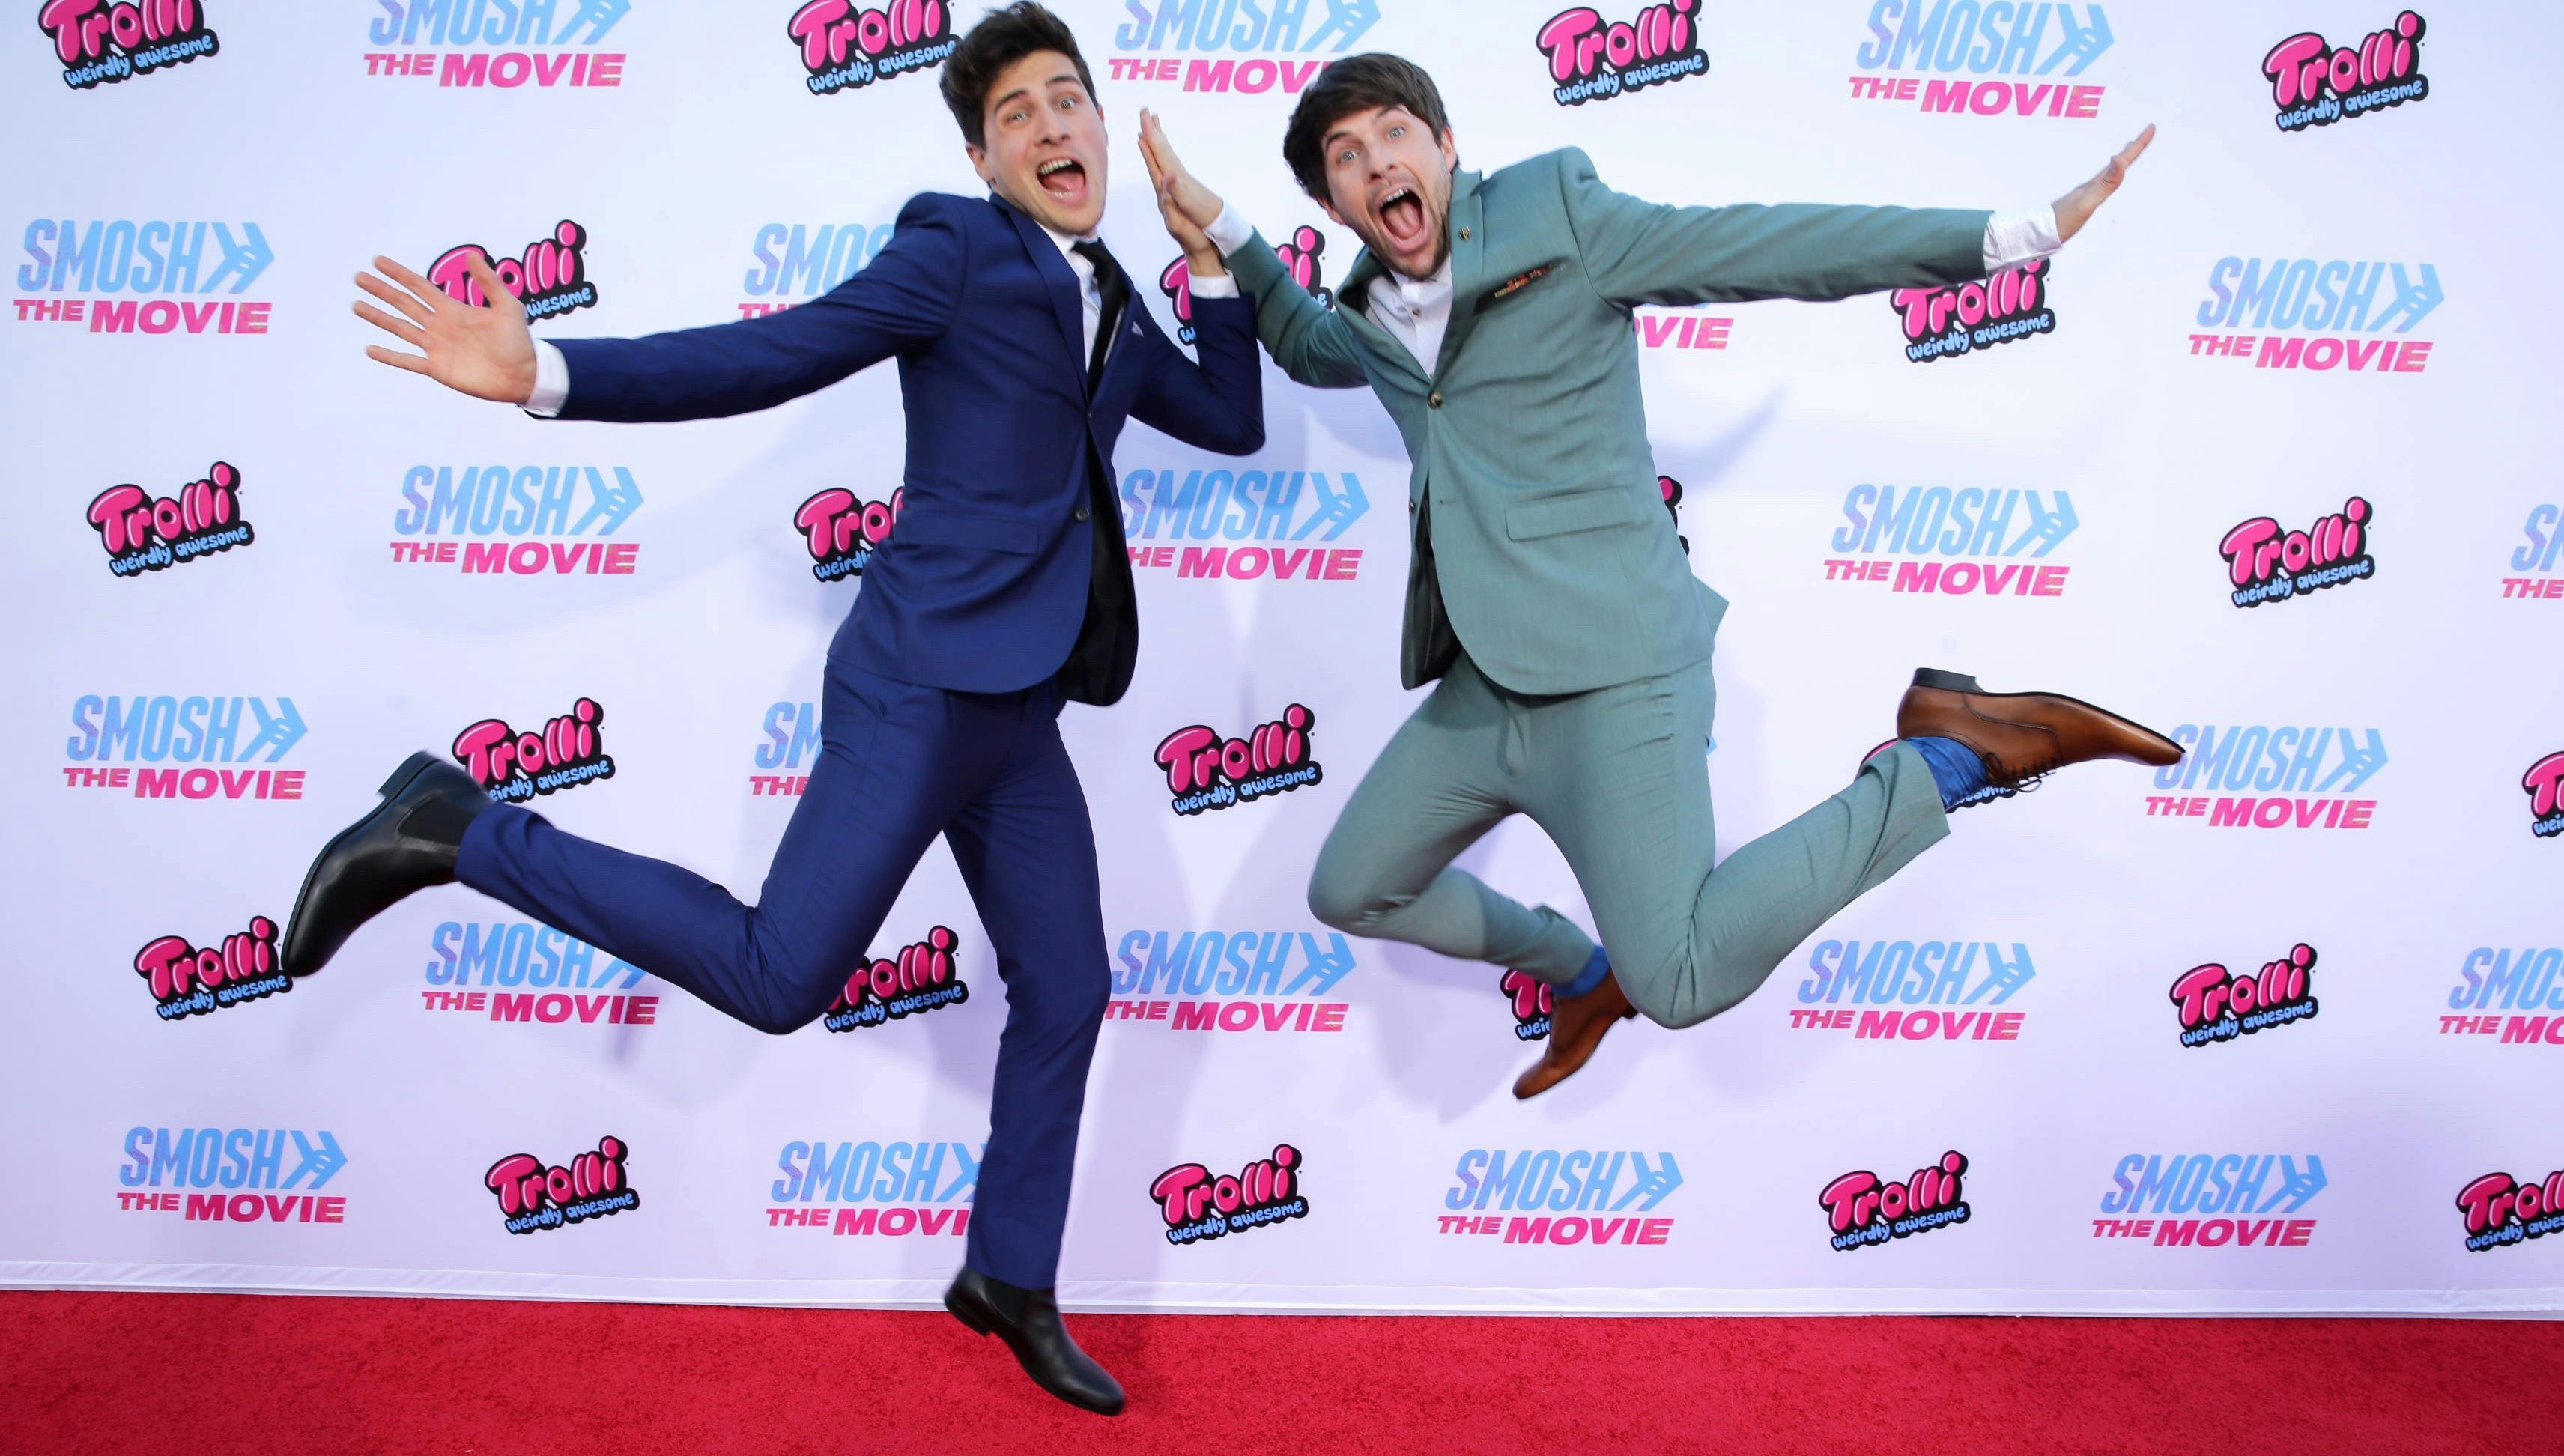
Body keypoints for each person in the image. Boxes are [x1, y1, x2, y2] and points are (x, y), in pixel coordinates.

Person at [290, 3, 1263, 1416]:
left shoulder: (1113, 286)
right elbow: (775, 353)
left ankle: (1010, 1276)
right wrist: (545, 375)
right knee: (776, 979)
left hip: (1020, 709)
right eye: (1018, 116)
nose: (1055, 127)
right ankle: (458, 828)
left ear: (1106, 125)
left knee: (1071, 987)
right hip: (918, 684)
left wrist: (1209, 254)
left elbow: (1232, 419)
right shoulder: (954, 246)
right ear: (985, 160)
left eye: (1071, 100)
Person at [1136, 55, 2180, 1099]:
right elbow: (1310, 345)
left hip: (1619, 672)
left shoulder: (1560, 217)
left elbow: (1764, 246)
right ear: (1333, 203)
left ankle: (1946, 759)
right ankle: (1583, 973)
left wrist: (2011, 236)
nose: (1380, 164)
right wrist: (1220, 229)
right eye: (1348, 159)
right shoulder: (1370, 307)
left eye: (1396, 133)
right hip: (1487, 687)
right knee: (1352, 888)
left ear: (1445, 146)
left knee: (1678, 977)